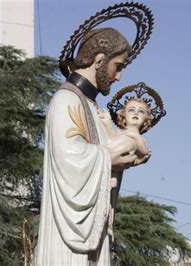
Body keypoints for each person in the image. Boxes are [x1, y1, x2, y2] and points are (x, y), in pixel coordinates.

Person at [35, 3, 154, 264]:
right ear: (100, 60)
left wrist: (128, 157)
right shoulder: (66, 100)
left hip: (94, 231)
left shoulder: (91, 105)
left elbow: (107, 151)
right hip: (69, 237)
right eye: (118, 66)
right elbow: (69, 159)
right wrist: (109, 157)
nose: (119, 76)